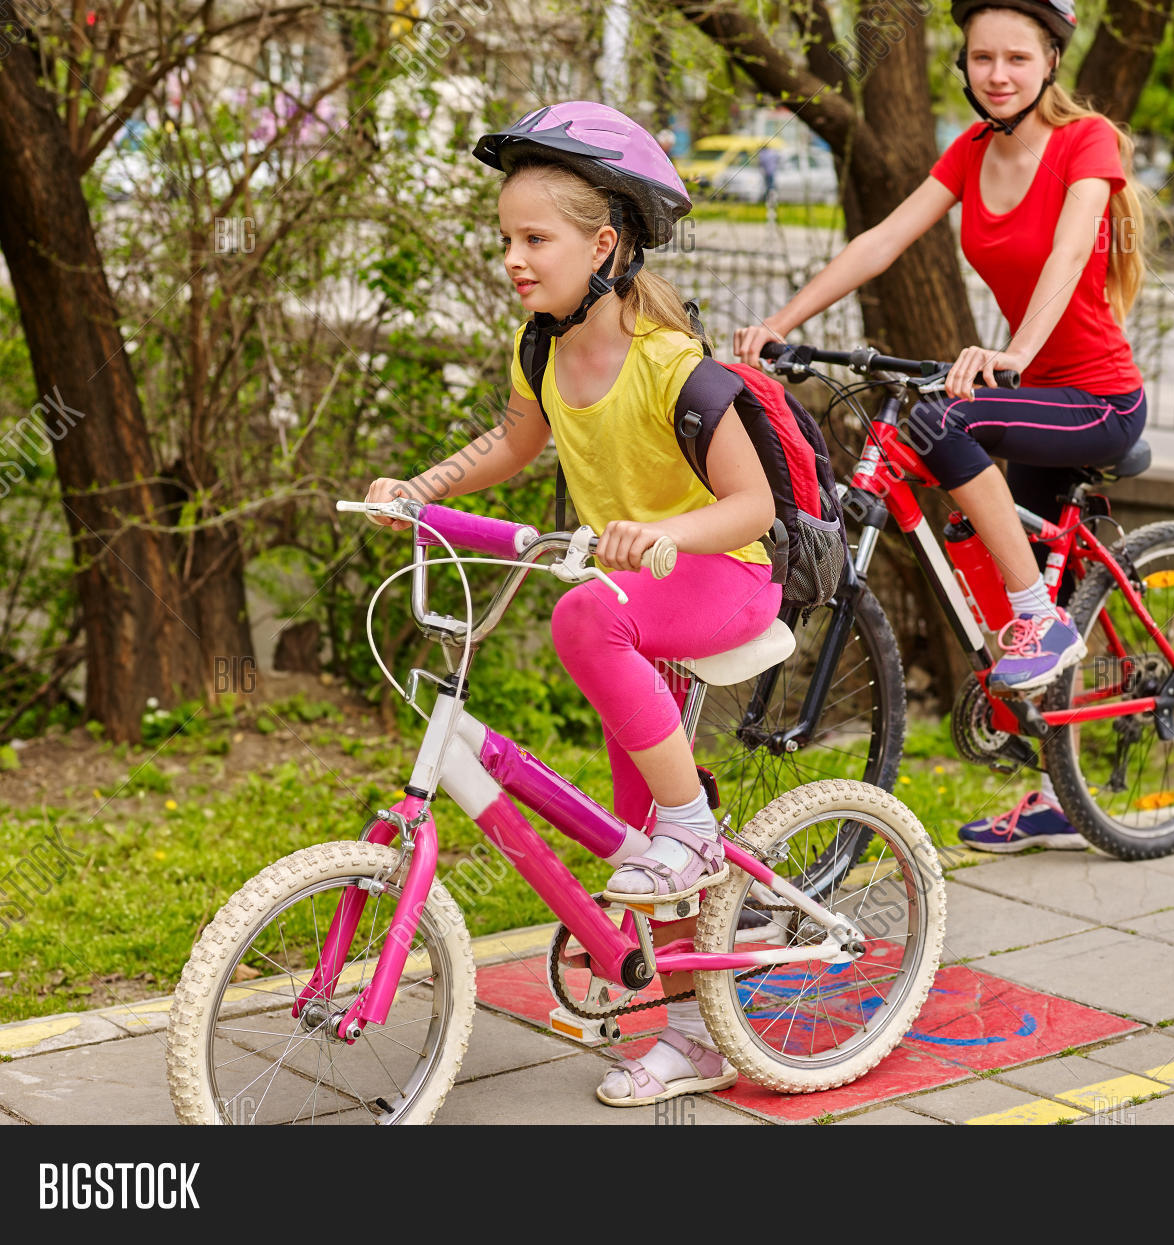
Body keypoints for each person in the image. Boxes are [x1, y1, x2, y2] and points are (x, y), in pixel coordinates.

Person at [363, 101, 780, 1104]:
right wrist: (420, 490)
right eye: (506, 239)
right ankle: (695, 1032)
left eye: (534, 239)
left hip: (722, 576)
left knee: (585, 620)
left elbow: (753, 506)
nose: (513, 258)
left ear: (602, 246)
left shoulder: (675, 367)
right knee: (637, 834)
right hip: (635, 599)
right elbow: (513, 443)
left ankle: (694, 826)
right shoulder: (541, 349)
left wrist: (660, 535)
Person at [733, 0, 1150, 853]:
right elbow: (881, 241)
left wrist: (1013, 352)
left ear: (1051, 61)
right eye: (982, 57)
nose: (997, 74)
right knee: (971, 516)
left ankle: (1039, 616)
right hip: (1033, 399)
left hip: (1098, 400)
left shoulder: (1088, 142)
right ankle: (1055, 787)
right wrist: (781, 323)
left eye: (1017, 58)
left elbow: (1072, 252)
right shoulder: (969, 152)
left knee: (941, 425)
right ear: (963, 63)